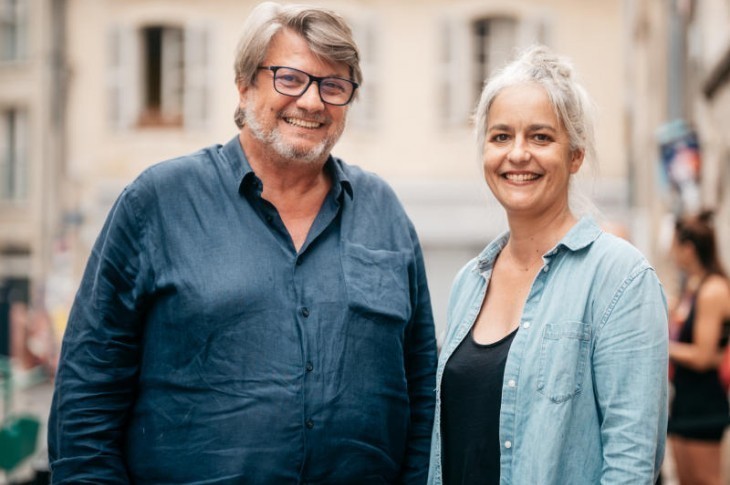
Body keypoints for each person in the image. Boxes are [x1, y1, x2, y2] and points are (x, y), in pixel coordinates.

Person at [48, 2, 437, 482]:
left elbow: (422, 393)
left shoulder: (385, 212)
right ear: (244, 84)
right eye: (290, 79)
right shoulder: (158, 203)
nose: (312, 102)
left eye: (333, 86)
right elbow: (86, 397)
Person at [427, 45, 669, 484]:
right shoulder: (468, 282)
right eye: (501, 136)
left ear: (575, 155)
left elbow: (631, 466)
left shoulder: (620, 278)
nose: (518, 154)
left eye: (540, 137)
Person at [667, 210, 730, 485]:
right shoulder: (692, 289)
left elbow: (704, 357)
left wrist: (660, 346)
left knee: (706, 479)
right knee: (686, 479)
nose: (670, 252)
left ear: (688, 248)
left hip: (704, 402)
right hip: (684, 399)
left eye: (674, 245)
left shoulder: (713, 290)